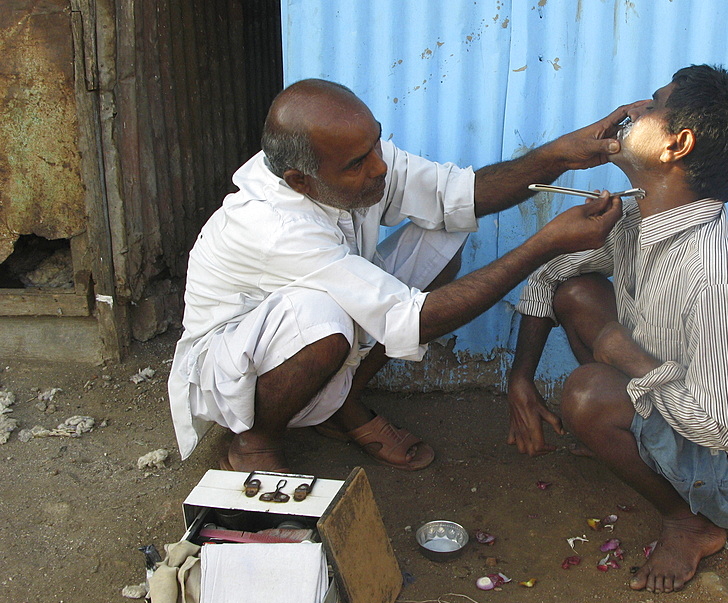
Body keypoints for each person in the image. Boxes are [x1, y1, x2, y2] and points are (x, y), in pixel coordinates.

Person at [168, 78, 627, 473]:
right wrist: (542, 245)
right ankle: (254, 444)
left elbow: (459, 193)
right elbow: (408, 320)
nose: (381, 166)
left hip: (307, 318)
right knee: (323, 317)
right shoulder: (276, 226)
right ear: (300, 181)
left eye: (376, 145)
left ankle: (338, 403)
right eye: (358, 163)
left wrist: (560, 155)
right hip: (233, 366)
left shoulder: (352, 160)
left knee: (443, 237)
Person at [505, 64, 728, 593]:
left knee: (586, 394)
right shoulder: (637, 220)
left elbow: (724, 429)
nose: (630, 111)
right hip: (684, 412)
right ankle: (635, 444)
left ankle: (690, 522)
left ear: (677, 144)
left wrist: (622, 353)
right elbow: (551, 274)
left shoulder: (717, 276)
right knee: (576, 292)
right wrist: (521, 377)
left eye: (651, 106)